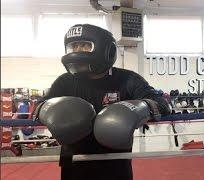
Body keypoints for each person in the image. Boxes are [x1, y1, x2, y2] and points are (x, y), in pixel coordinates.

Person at [34, 24, 171, 180]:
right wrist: (49, 111)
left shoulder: (127, 79)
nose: (77, 51)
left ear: (107, 50)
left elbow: (160, 102)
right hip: (74, 163)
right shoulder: (65, 81)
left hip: (115, 165)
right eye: (74, 46)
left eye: (84, 45)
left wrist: (139, 109)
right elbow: (39, 105)